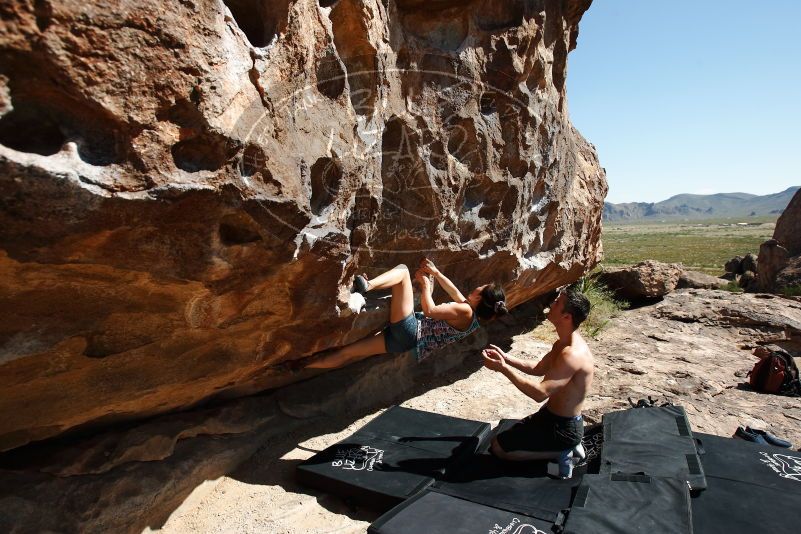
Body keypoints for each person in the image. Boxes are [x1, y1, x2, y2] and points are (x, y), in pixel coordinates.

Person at [303, 258, 508, 369]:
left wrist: (426, 285)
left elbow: (430, 310)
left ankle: (366, 286)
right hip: (406, 342)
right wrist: (437, 273)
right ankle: (301, 365)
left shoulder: (464, 310)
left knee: (402, 272)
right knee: (347, 353)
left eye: (483, 287)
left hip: (411, 329)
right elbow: (454, 292)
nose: (479, 286)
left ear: (481, 297)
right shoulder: (472, 318)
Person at [482, 286, 593, 465]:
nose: (551, 303)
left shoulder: (572, 354)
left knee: (499, 450)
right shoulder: (562, 344)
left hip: (564, 428)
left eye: (557, 303)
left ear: (567, 317)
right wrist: (506, 358)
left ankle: (565, 451)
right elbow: (538, 368)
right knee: (497, 441)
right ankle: (559, 448)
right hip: (549, 416)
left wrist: (502, 368)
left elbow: (539, 393)